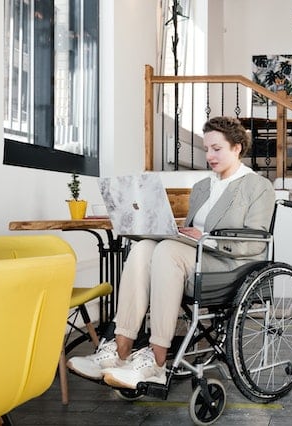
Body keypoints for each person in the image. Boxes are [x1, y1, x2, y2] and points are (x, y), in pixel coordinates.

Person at [67, 116, 275, 389]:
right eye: (207, 149)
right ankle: (119, 352)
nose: (209, 156)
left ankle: (157, 361)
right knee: (143, 248)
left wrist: (206, 239)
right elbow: (188, 230)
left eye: (217, 148)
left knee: (166, 251)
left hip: (230, 265)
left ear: (237, 147)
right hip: (191, 256)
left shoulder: (257, 186)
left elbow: (257, 241)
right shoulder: (203, 187)